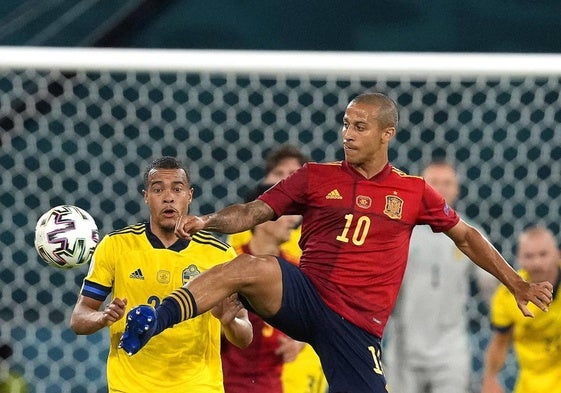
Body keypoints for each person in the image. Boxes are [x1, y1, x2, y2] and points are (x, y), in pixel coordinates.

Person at [119, 92, 553, 393]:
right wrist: (210, 220)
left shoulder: (414, 192)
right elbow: (254, 212)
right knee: (250, 267)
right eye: (346, 124)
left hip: (356, 327)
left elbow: (466, 236)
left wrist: (515, 281)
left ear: (387, 134)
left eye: (360, 126)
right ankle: (157, 317)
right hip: (307, 296)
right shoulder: (315, 177)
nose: (348, 133)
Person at [70, 156, 253, 392]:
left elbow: (245, 336)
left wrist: (228, 320)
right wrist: (103, 317)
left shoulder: (220, 254)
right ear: (146, 196)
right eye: (158, 189)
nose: (168, 197)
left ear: (190, 195)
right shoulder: (116, 246)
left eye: (177, 189)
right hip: (131, 386)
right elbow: (79, 318)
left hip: (197, 386)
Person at [383, 160, 498, 393]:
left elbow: (491, 286)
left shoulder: (471, 233)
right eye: (434, 182)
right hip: (404, 346)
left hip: (450, 348)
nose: (441, 188)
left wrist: (503, 320)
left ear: (457, 189)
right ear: (422, 187)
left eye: (447, 182)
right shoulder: (399, 231)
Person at [227, 144, 327, 393]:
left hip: (278, 378)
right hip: (227, 379)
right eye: (285, 212)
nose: (292, 220)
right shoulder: (229, 259)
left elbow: (320, 315)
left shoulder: (302, 261)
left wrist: (301, 339)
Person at [222, 184, 305, 392]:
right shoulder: (226, 262)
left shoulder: (296, 270)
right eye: (285, 212)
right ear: (259, 218)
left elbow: (313, 320)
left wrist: (298, 343)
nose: (294, 220)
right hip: (224, 382)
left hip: (271, 384)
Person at [480, 226, 561, 393]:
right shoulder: (507, 295)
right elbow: (500, 343)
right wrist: (489, 379)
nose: (537, 263)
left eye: (543, 254)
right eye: (529, 256)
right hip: (531, 384)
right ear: (519, 259)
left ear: (557, 255)